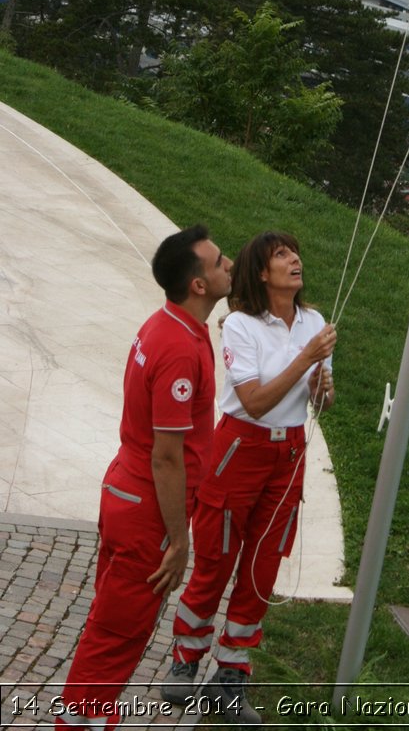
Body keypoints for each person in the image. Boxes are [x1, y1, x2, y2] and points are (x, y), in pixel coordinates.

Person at [55, 225, 233, 730]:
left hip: (124, 493)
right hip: (147, 511)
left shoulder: (166, 326)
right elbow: (167, 458)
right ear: (197, 285)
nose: (229, 266)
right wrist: (180, 540)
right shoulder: (179, 348)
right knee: (115, 640)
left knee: (108, 627)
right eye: (219, 262)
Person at [161, 231, 336, 726]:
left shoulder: (315, 322)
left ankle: (231, 675)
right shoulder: (240, 325)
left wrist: (322, 388)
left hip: (290, 453)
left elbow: (323, 403)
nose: (294, 259)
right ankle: (186, 658)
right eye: (281, 255)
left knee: (263, 565)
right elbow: (255, 401)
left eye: (294, 252)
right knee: (216, 556)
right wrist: (306, 361)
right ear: (262, 273)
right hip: (239, 447)